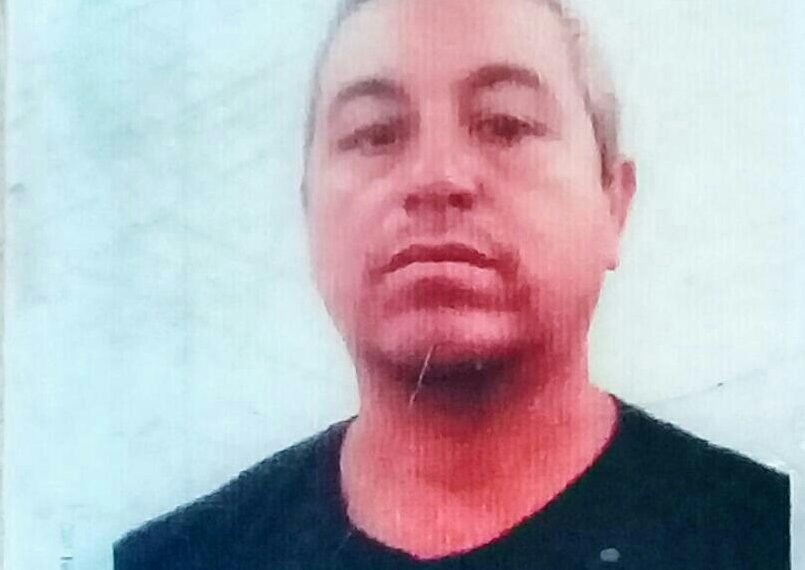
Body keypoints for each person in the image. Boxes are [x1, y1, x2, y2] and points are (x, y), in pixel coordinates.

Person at [114, 0, 790, 567]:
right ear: (307, 211)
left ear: (614, 202)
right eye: (375, 133)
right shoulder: (179, 558)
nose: (436, 177)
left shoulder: (765, 538)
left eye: (505, 125)